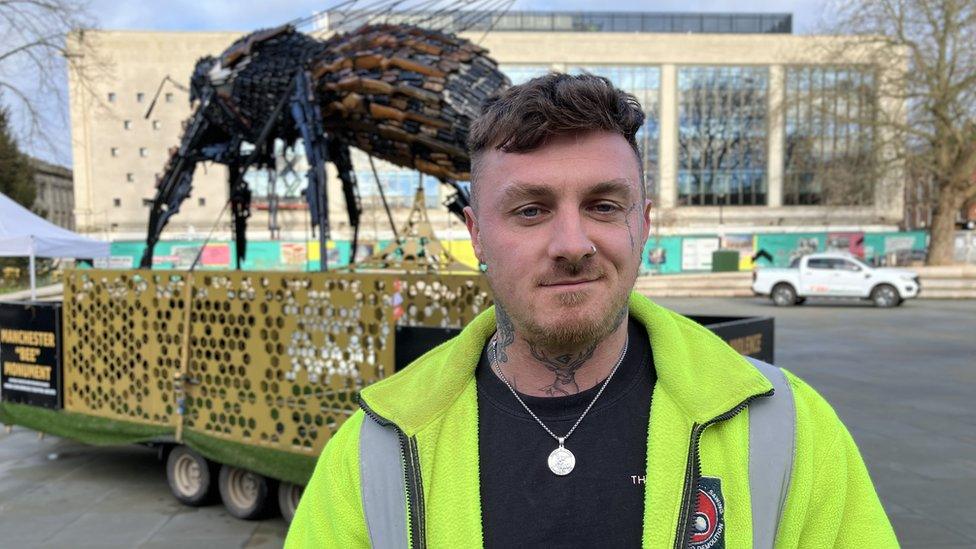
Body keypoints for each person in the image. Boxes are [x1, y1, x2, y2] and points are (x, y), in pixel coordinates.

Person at [286, 73, 897, 548]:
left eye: (604, 206)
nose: (573, 243)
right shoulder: (375, 453)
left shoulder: (786, 431)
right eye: (530, 210)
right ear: (475, 235)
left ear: (644, 223)